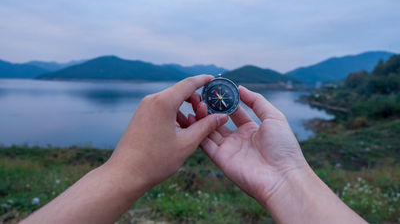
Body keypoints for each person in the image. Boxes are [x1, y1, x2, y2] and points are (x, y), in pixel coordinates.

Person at [21, 75, 367, 224]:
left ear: (224, 94)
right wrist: (287, 178)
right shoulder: (222, 102)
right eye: (217, 97)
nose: (218, 100)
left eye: (220, 97)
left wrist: (125, 171)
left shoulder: (215, 104)